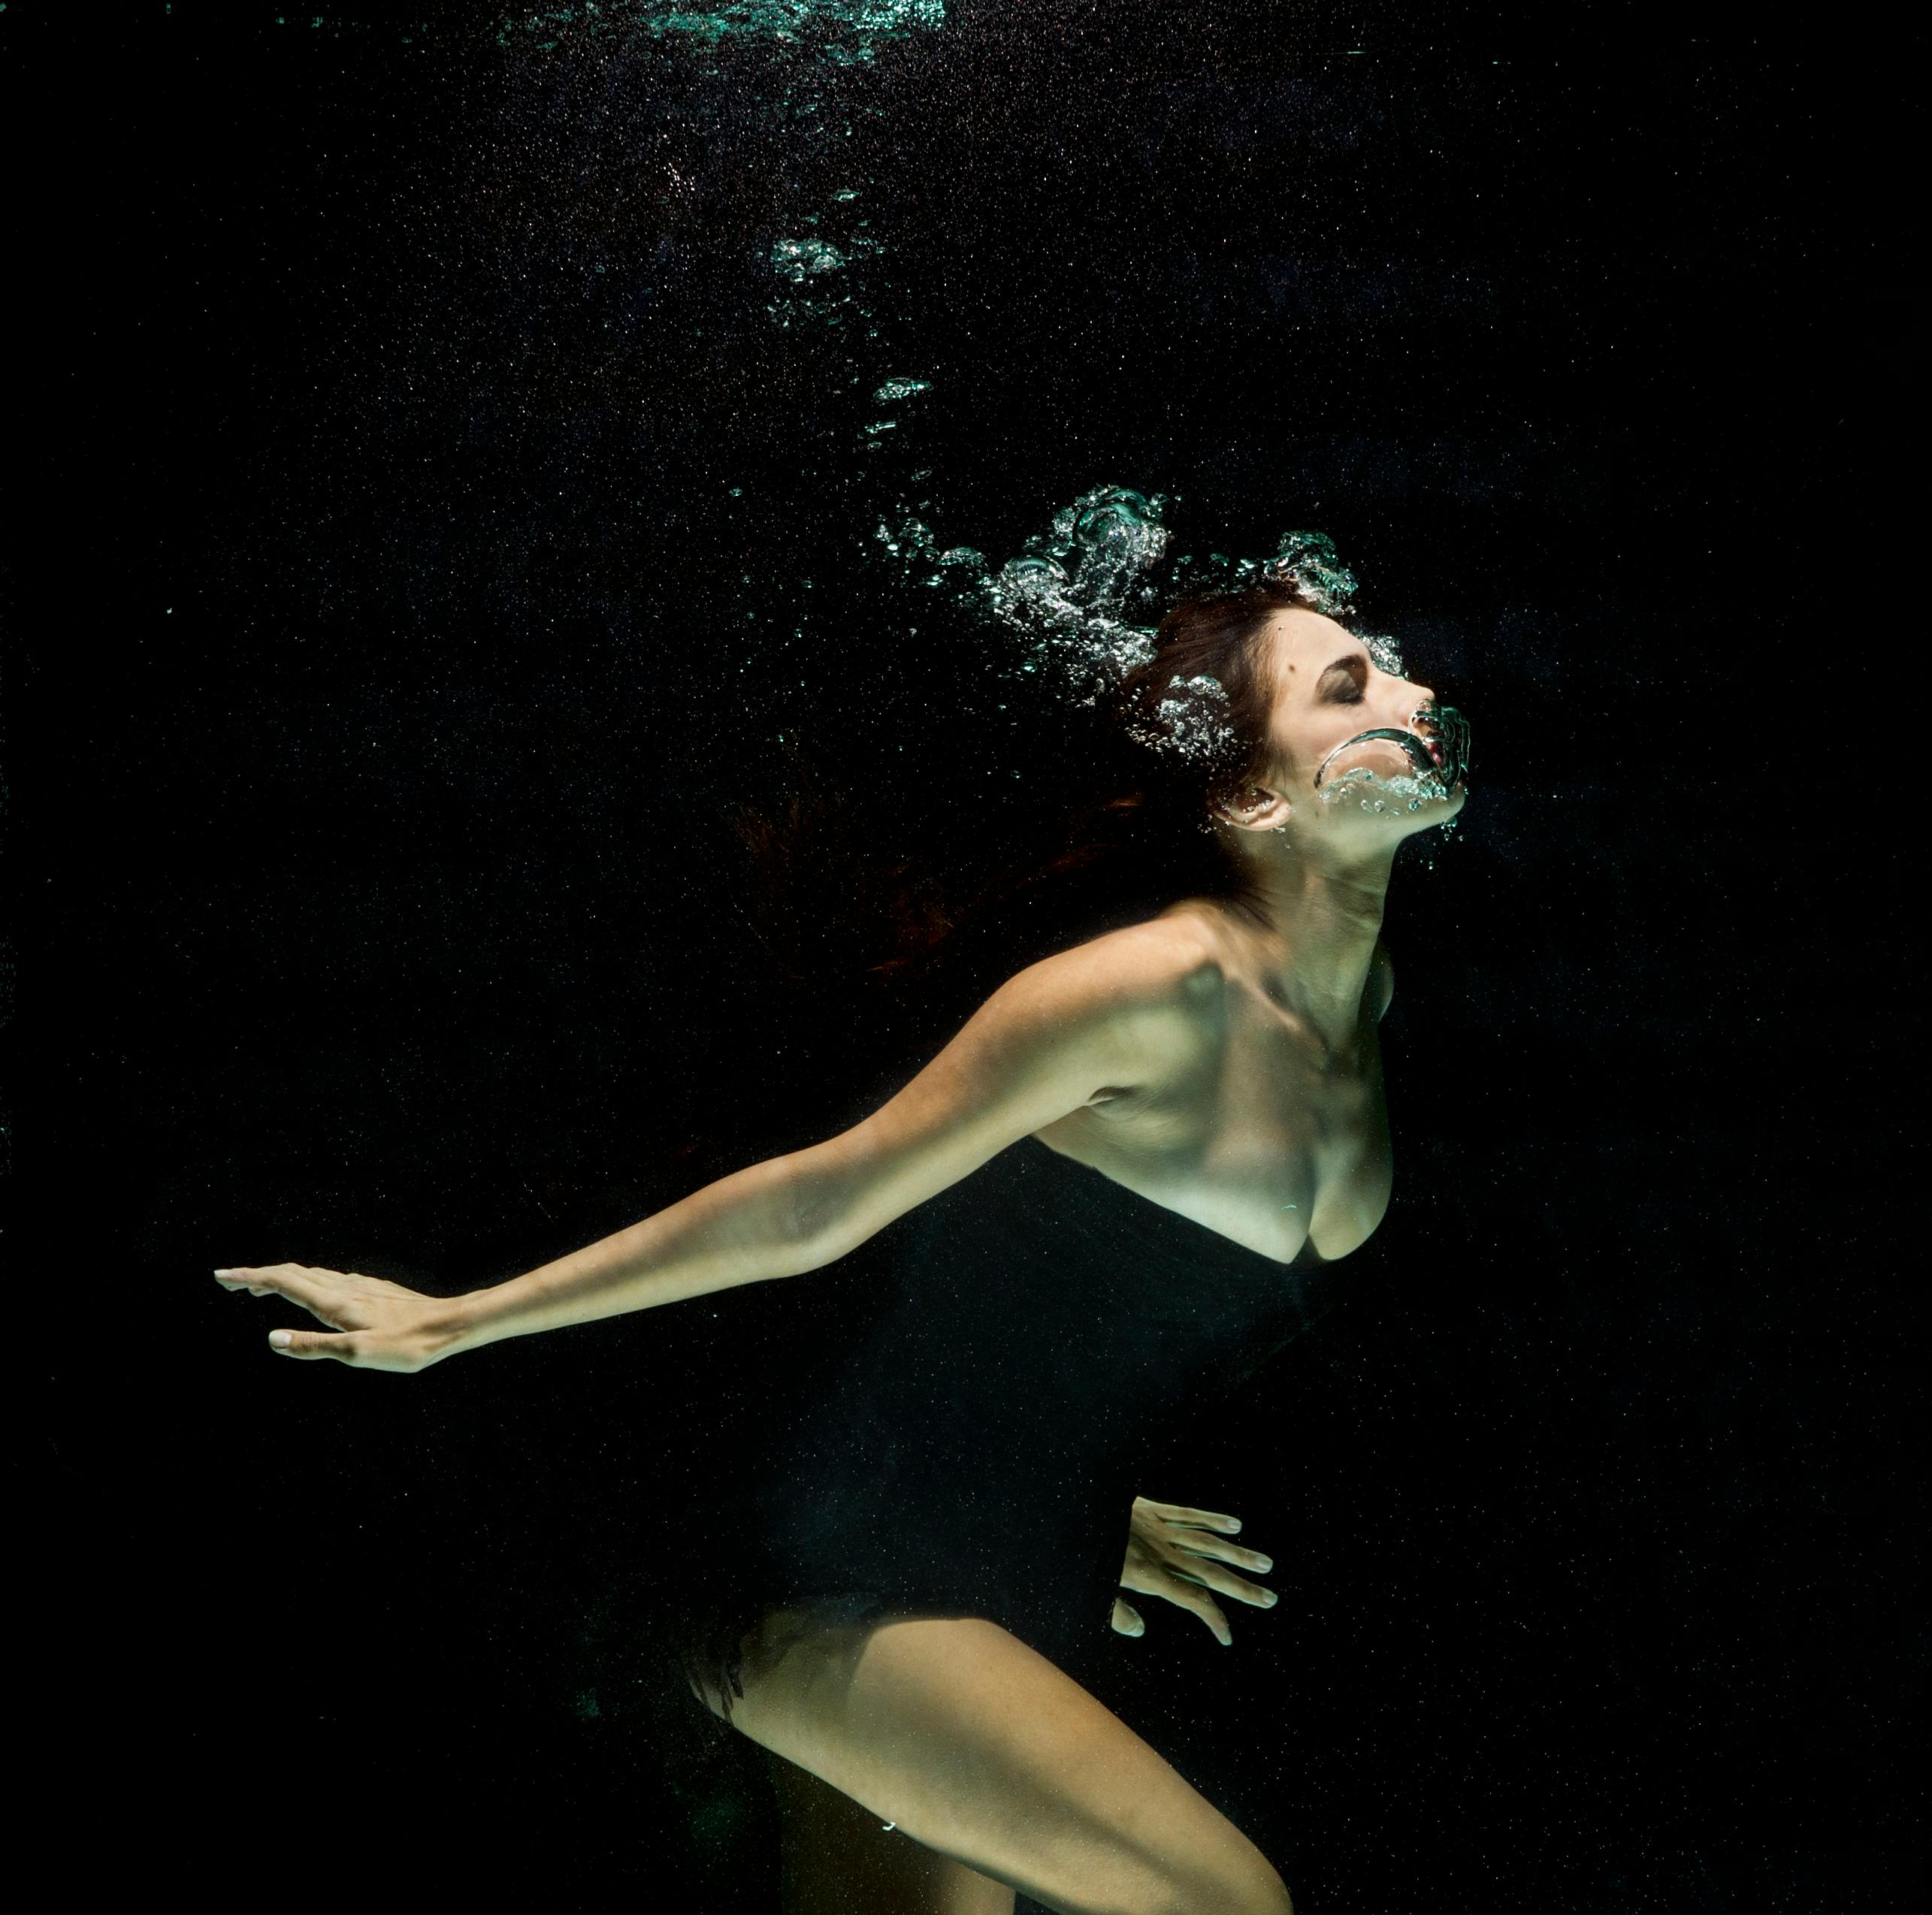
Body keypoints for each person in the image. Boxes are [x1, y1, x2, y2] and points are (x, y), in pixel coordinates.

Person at [216, 578, 1471, 1914]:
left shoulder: (1362, 1005)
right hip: (829, 1557)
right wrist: (457, 1317)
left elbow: (1048, 1283)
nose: (1415, 697)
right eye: (1346, 685)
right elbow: (819, 1204)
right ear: (1254, 795)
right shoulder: (1155, 990)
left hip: (1008, 1548)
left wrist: (1057, 1470)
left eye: (1391, 669)